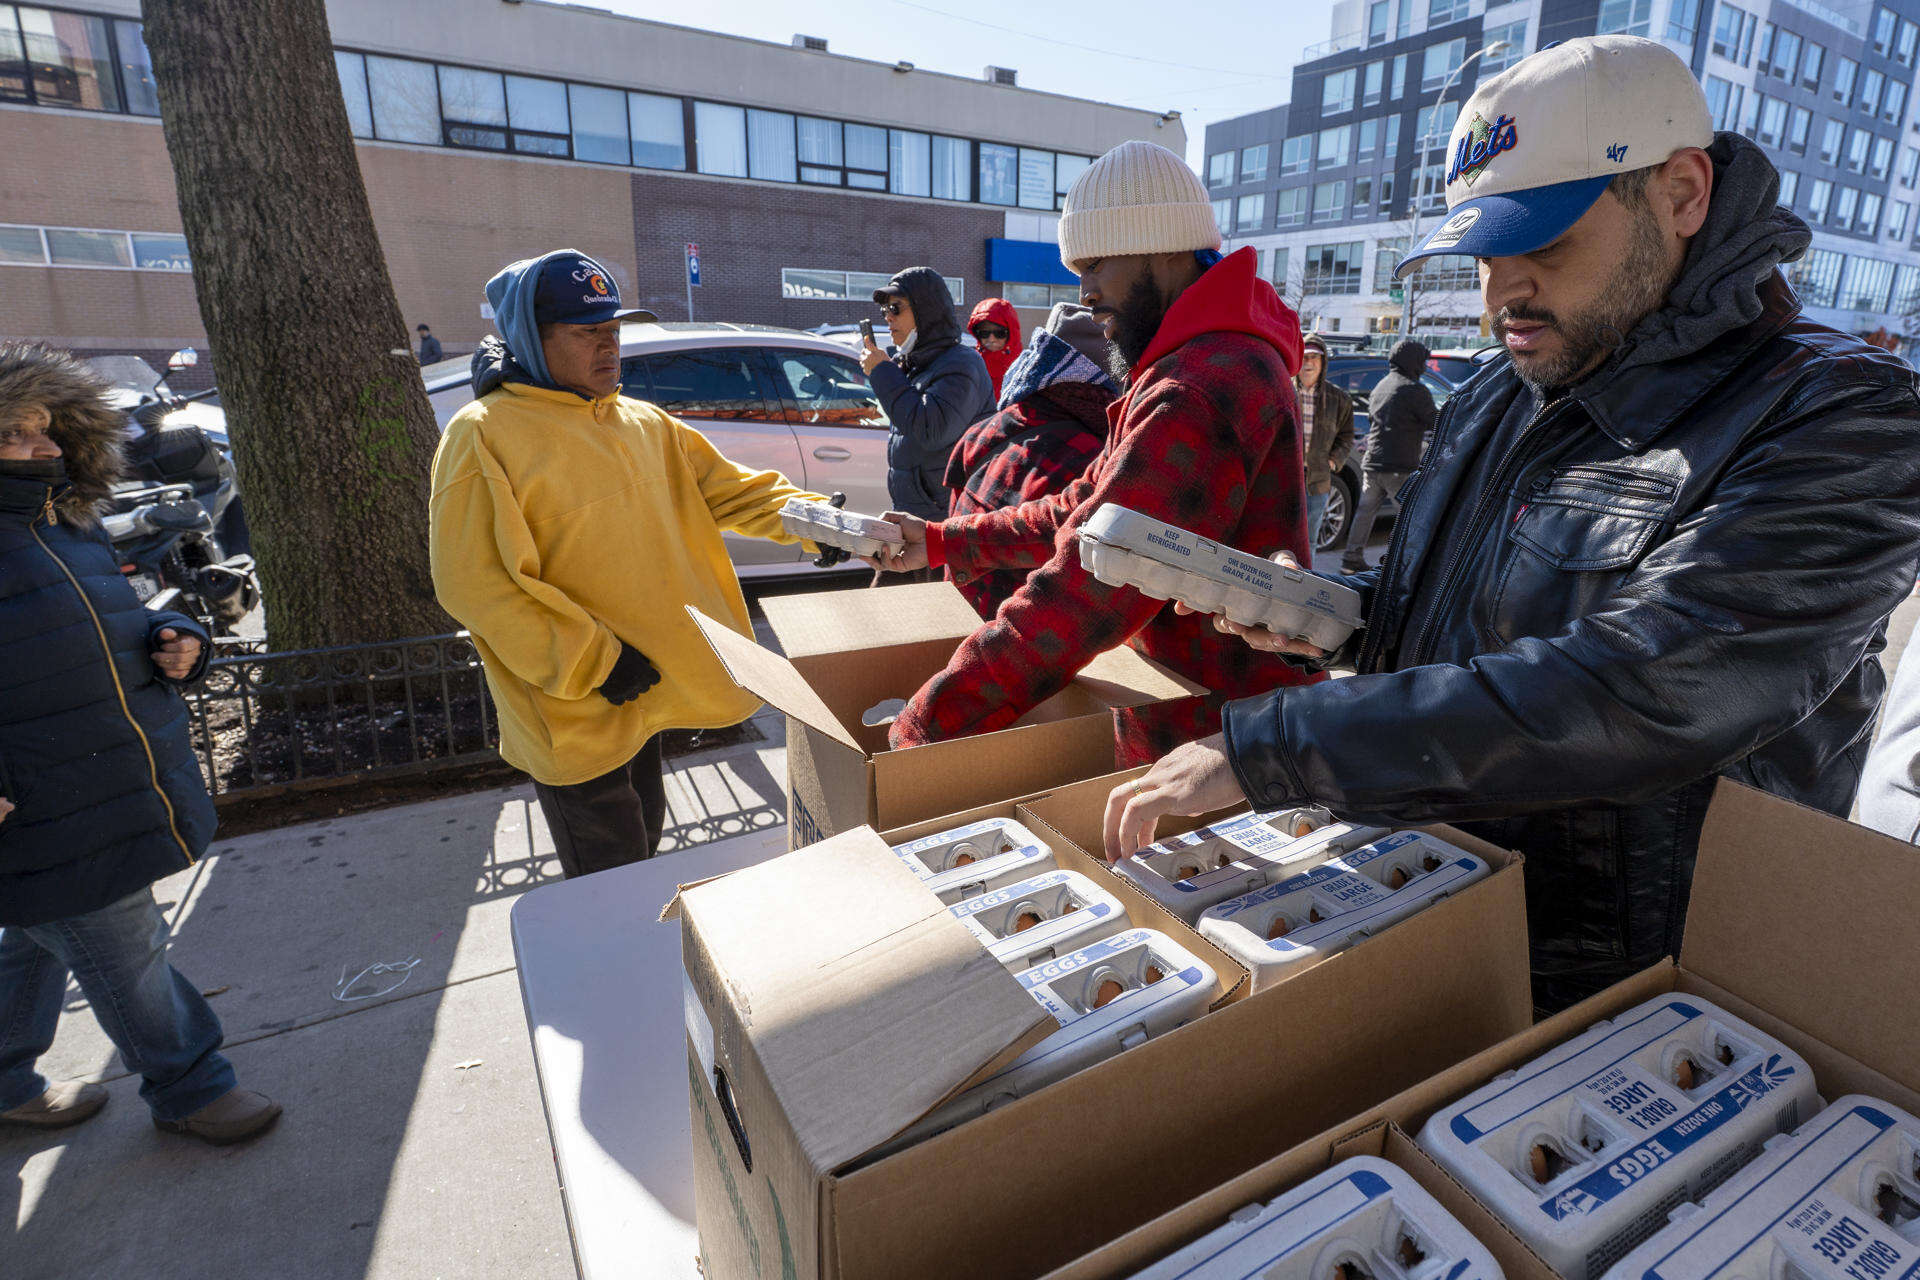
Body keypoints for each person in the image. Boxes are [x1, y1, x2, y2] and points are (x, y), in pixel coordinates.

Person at [1104, 36, 1920, 1013]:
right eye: (1485, 254)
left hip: (1659, 976)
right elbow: (1468, 616)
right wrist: (1341, 612)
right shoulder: (1503, 388)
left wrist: (1272, 744)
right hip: (1451, 892)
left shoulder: (1840, 413)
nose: (1503, 293)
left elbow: (1651, 684)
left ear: (1682, 192)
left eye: (1545, 244)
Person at [871, 140, 1322, 761]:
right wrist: (944, 540)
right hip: (1208, 723)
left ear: (1161, 246)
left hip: (1219, 742)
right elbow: (1084, 511)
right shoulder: (1190, 363)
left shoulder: (1199, 386)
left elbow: (1091, 586)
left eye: (1095, 266)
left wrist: (927, 725)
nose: (1084, 293)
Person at [429, 251, 843, 878]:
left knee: (643, 849)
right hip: (572, 711)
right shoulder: (482, 435)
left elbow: (734, 492)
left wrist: (819, 521)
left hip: (640, 692)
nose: (609, 348)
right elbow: (474, 583)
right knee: (610, 881)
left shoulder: (642, 421)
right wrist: (594, 659)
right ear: (530, 342)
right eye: (586, 333)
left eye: (613, 331)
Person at [0, 342, 280, 1144]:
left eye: (48, 430)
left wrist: (176, 634)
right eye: (18, 433)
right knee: (126, 946)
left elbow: (116, 620)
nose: (46, 447)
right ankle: (193, 1087)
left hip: (97, 779)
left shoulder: (64, 523)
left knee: (33, 934)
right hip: (45, 801)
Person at [944, 302, 1117, 619]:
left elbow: (950, 521)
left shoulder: (983, 430)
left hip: (953, 618)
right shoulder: (1093, 458)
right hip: (1017, 641)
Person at [860, 267, 993, 525]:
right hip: (916, 515)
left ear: (925, 310)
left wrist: (882, 372)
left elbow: (931, 429)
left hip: (950, 521)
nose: (888, 318)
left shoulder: (961, 364)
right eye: (884, 310)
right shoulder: (911, 362)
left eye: (895, 308)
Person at [1340, 337, 1433, 573]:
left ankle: (1351, 559)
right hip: (1399, 466)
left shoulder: (1381, 386)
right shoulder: (1414, 390)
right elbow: (1436, 421)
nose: (1424, 367)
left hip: (1372, 463)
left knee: (1365, 513)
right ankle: (1402, 566)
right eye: (1423, 361)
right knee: (1411, 516)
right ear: (1413, 362)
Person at [1294, 334, 1354, 553]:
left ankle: (1303, 583)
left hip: (1318, 481)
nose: (1309, 363)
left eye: (1315, 358)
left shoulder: (1339, 399)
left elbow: (1347, 436)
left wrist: (1333, 461)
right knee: (1278, 537)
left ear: (1323, 363)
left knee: (1309, 540)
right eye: (1305, 356)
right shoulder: (1284, 390)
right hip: (1285, 479)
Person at [966, 297, 1024, 404]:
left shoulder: (1024, 368)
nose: (991, 339)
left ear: (1011, 333)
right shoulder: (970, 366)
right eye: (984, 333)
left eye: (999, 333)